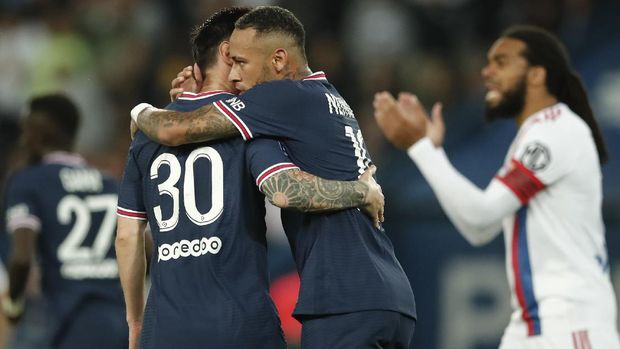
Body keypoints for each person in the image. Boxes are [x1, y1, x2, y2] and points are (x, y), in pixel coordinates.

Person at [130, 6, 416, 348]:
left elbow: (173, 130)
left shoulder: (281, 96)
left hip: (344, 297)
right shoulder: (328, 98)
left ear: (278, 60)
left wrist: (142, 110)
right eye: (230, 64)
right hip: (388, 296)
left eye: (241, 63)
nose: (234, 77)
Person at [374, 25, 620, 348]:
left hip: (570, 326)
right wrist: (427, 151)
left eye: (502, 62)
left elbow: (481, 216)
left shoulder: (555, 132)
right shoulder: (539, 132)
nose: (487, 72)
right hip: (537, 324)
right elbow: (480, 230)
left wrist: (421, 148)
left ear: (536, 75)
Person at [1, 93, 128, 349]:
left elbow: (22, 258)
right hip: (118, 322)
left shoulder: (28, 181)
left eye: (27, 132)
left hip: (67, 319)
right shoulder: (109, 183)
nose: (23, 141)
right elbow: (142, 248)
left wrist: (13, 304)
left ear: (38, 134)